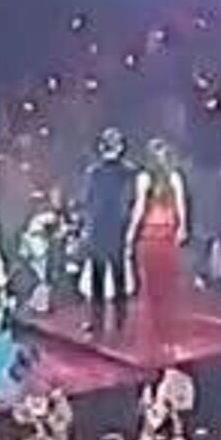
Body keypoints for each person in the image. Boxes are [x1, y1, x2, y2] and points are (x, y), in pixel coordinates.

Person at [129, 138, 189, 339]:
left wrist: (130, 233)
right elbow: (181, 205)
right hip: (161, 231)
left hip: (155, 232)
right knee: (162, 281)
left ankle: (159, 325)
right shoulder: (172, 176)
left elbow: (140, 208)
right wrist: (182, 227)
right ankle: (161, 325)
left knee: (156, 281)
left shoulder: (147, 177)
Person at [83, 128, 139, 334]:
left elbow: (88, 201)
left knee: (104, 276)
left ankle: (102, 322)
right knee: (116, 275)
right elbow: (129, 201)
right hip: (114, 227)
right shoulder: (128, 172)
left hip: (103, 227)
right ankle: (118, 322)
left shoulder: (96, 172)